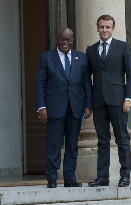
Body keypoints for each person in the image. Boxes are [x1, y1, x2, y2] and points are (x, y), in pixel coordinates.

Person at [35, 28, 92, 188]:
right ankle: (52, 177)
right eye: (62, 39)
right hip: (54, 108)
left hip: (76, 107)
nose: (65, 43)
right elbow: (40, 84)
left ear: (72, 40)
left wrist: (88, 105)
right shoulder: (46, 58)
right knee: (53, 144)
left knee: (72, 144)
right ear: (57, 39)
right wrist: (41, 106)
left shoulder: (81, 57)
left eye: (68, 39)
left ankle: (69, 178)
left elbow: (87, 82)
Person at [86, 15, 131, 187]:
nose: (104, 30)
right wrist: (88, 103)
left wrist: (128, 98)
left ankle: (125, 176)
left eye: (108, 27)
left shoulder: (122, 47)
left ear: (113, 28)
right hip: (98, 100)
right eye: (101, 27)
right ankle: (102, 177)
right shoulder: (90, 50)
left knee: (122, 139)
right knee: (102, 140)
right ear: (97, 28)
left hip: (118, 100)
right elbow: (87, 78)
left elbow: (130, 75)